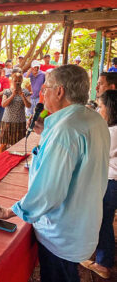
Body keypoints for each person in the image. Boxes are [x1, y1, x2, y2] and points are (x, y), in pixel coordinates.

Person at [0, 65, 110, 282]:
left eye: (47, 88)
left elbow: (48, 192)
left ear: (60, 91)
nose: (43, 93)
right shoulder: (94, 119)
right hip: (83, 223)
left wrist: (11, 211)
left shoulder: (65, 131)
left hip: (61, 231)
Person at [80, 89, 117, 279]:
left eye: (100, 107)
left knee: (103, 222)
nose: (98, 111)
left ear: (110, 109)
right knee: (105, 221)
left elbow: (91, 153)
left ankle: (103, 263)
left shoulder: (110, 132)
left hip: (110, 183)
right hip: (112, 183)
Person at [0, 72, 31, 153]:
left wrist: (22, 95)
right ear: (11, 81)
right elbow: (3, 104)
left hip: (20, 122)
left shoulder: (25, 92)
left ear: (22, 81)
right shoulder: (7, 91)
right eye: (15, 80)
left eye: (19, 81)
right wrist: (13, 95)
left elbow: (28, 105)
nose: (17, 82)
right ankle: (0, 162)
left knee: (18, 144)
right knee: (3, 143)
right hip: (7, 121)